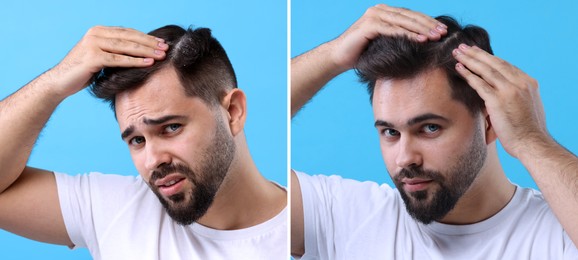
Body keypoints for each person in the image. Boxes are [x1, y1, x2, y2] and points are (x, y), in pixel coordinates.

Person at [291, 4, 578, 259]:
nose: (405, 158)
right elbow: (244, 124)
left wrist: (531, 140)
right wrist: (333, 54)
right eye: (390, 132)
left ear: (490, 122)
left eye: (429, 128)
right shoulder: (341, 218)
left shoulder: (559, 232)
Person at [0, 25, 287, 259]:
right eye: (137, 140)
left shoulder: (314, 227)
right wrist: (55, 81)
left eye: (171, 128)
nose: (153, 161)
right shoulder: (114, 208)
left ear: (232, 112)